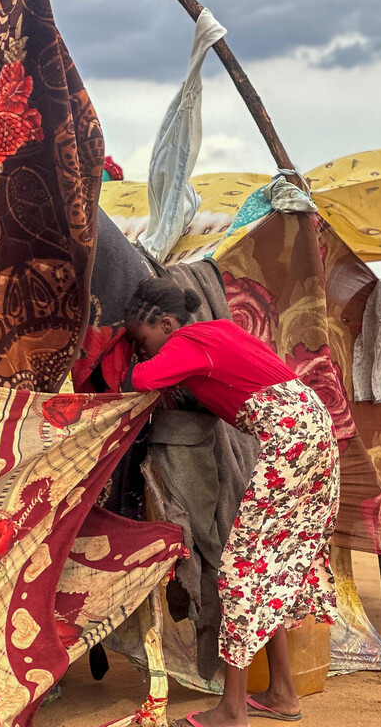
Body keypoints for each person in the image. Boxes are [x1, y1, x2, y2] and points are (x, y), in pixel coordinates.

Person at [124, 276, 340, 727]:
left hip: (291, 440)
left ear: (166, 324)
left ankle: (233, 710)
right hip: (312, 428)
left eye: (141, 339)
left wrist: (126, 361)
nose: (141, 349)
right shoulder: (220, 330)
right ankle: (282, 693)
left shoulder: (186, 343)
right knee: (267, 563)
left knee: (240, 570)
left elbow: (142, 379)